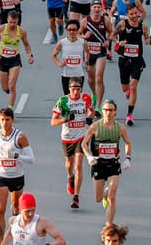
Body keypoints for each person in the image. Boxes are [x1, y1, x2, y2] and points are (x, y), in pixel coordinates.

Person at [81, 99, 133, 225]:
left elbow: (128, 143)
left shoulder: (120, 128)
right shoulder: (94, 127)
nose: (107, 112)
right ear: (102, 111)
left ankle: (109, 225)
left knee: (112, 197)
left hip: (113, 164)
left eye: (110, 110)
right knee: (98, 199)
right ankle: (104, 193)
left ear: (115, 112)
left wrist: (127, 158)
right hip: (98, 164)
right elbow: (84, 144)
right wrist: (89, 156)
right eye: (105, 110)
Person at [0, 106, 35, 232]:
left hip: (16, 176)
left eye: (7, 120)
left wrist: (17, 156)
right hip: (0, 176)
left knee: (17, 209)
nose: (4, 123)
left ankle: (16, 235)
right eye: (2, 120)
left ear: (12, 120)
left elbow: (32, 159)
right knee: (0, 210)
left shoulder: (20, 137)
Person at [49, 77, 92, 208]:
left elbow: (91, 111)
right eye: (73, 89)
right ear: (69, 89)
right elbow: (53, 122)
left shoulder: (86, 98)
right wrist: (65, 119)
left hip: (82, 136)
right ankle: (70, 177)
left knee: (78, 165)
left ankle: (76, 197)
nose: (76, 92)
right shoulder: (63, 101)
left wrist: (90, 117)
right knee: (69, 164)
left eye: (78, 89)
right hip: (67, 137)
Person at [0, 9, 34, 108]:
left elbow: (26, 45)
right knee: (5, 88)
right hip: (2, 59)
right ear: (7, 20)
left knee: (12, 86)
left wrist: (30, 55)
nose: (12, 24)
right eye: (10, 22)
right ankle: (9, 92)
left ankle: (10, 109)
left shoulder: (22, 31)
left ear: (17, 21)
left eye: (14, 22)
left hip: (14, 60)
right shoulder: (0, 29)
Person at [115, 3, 147, 125]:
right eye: (131, 14)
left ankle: (129, 115)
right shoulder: (122, 24)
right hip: (124, 59)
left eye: (136, 13)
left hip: (137, 60)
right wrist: (119, 43)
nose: (134, 16)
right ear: (127, 14)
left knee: (133, 86)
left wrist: (150, 40)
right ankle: (127, 91)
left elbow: (147, 39)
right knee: (125, 88)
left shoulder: (143, 26)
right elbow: (113, 37)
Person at [1, 194, 66, 245]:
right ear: (20, 209)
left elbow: (61, 240)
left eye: (33, 210)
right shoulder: (13, 221)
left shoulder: (42, 223)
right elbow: (10, 233)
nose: (31, 214)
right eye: (27, 211)